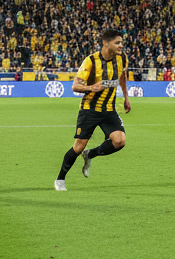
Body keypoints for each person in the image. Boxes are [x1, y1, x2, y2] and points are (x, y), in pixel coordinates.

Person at [56, 28, 131, 191]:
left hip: (109, 109)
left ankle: (90, 154)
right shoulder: (91, 61)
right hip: (89, 109)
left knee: (119, 141)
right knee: (78, 146)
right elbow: (75, 86)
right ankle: (60, 179)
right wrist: (91, 87)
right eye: (117, 43)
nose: (121, 46)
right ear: (106, 43)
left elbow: (122, 76)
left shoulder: (122, 58)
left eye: (121, 42)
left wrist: (126, 97)